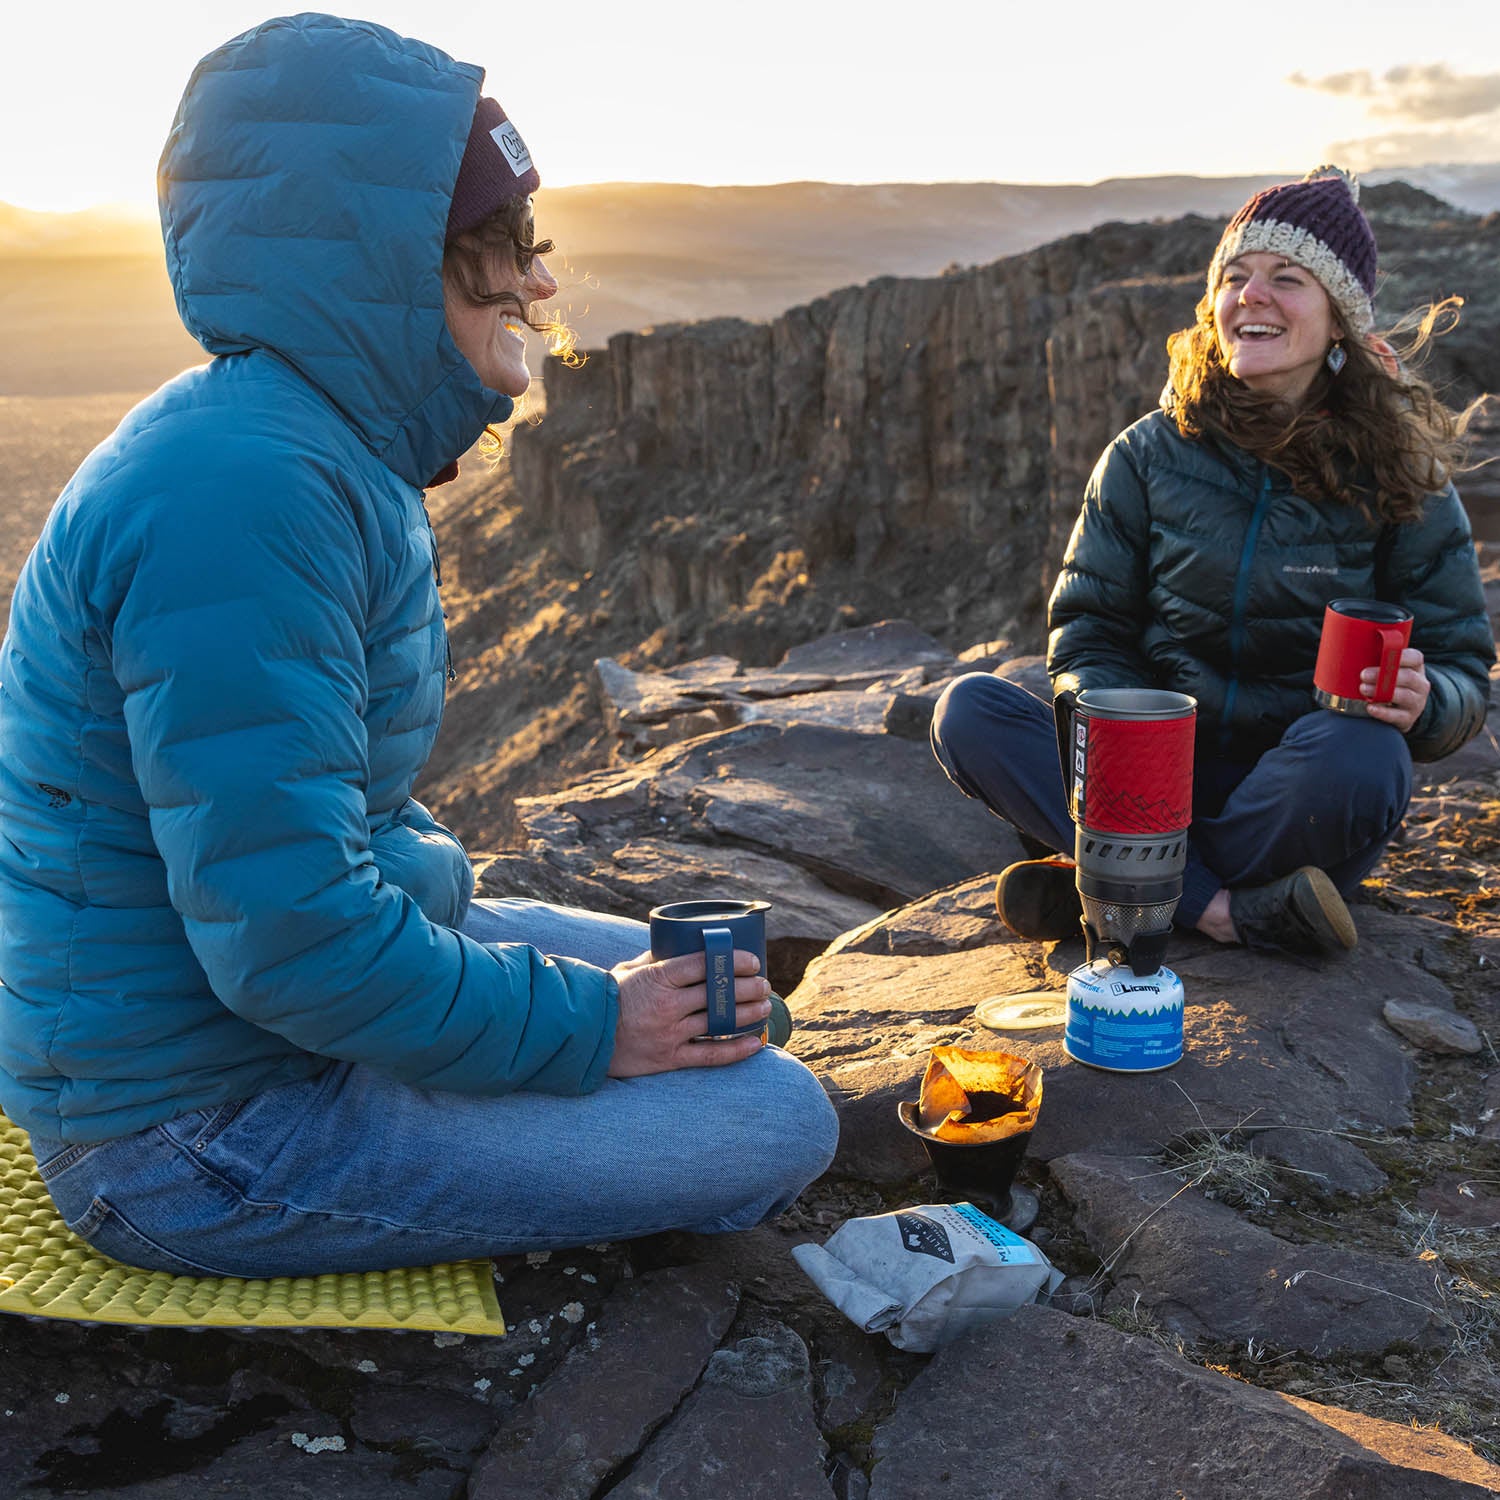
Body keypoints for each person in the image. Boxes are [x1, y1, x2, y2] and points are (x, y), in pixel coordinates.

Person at [0, 14, 837, 1280]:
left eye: (533, 247)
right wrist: (589, 1036)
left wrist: (544, 982)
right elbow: (290, 939)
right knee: (773, 1118)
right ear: (389, 265)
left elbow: (306, 842)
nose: (540, 287)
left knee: (685, 982)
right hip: (186, 1128)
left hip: (238, 1019)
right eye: (503, 251)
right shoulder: (247, 496)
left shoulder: (314, 443)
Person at [931, 168, 1495, 957]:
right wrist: (1120, 730)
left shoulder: (1400, 476)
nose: (1252, 296)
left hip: (1295, 792)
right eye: (1235, 277)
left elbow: (1467, 668)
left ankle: (1126, 889)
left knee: (1366, 755)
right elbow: (1087, 629)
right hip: (1148, 776)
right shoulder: (1148, 453)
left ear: (1339, 320)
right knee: (971, 712)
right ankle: (1229, 911)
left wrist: (1427, 702)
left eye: (1286, 279)